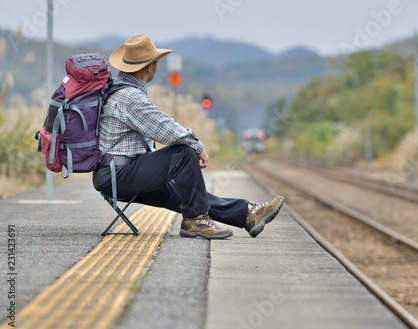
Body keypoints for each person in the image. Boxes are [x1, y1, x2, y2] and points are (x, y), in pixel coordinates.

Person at [92, 34, 285, 239]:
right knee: (184, 151)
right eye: (155, 62)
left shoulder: (122, 91)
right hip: (120, 175)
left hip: (119, 172)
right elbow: (165, 129)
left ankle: (248, 215)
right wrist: (198, 145)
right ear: (149, 67)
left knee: (193, 198)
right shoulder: (129, 97)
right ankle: (195, 222)